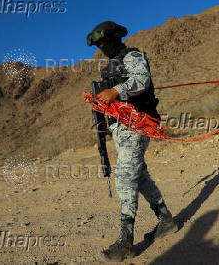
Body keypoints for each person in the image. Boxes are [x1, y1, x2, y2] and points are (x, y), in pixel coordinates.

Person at [82, 21, 178, 262]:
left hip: (138, 124)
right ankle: (165, 219)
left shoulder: (131, 56)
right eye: (99, 44)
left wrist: (116, 91)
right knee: (140, 175)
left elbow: (141, 80)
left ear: (115, 37)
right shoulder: (110, 68)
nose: (102, 47)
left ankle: (125, 241)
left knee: (125, 176)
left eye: (104, 42)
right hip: (121, 129)